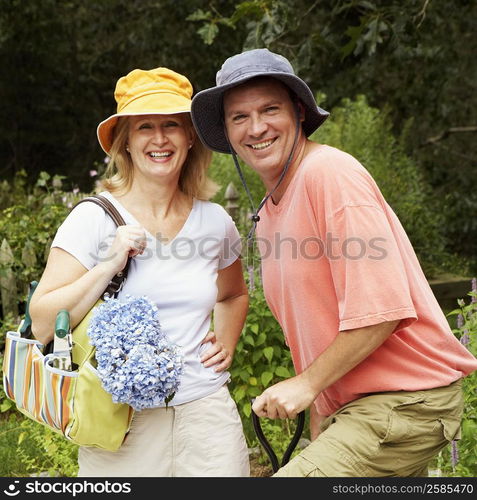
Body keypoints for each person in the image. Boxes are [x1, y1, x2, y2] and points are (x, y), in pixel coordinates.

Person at [190, 48, 477, 477]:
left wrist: (305, 385)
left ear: (299, 113)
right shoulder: (270, 210)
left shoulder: (329, 175)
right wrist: (322, 412)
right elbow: (316, 328)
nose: (257, 127)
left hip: (405, 400)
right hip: (358, 409)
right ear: (227, 133)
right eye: (239, 117)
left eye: (270, 109)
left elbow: (382, 313)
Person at [29, 67, 250, 477]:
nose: (160, 138)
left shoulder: (216, 221)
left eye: (171, 125)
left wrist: (227, 344)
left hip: (207, 419)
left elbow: (233, 294)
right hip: (120, 422)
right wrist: (109, 264)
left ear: (189, 138)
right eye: (145, 126)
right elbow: (42, 324)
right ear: (125, 142)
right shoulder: (92, 219)